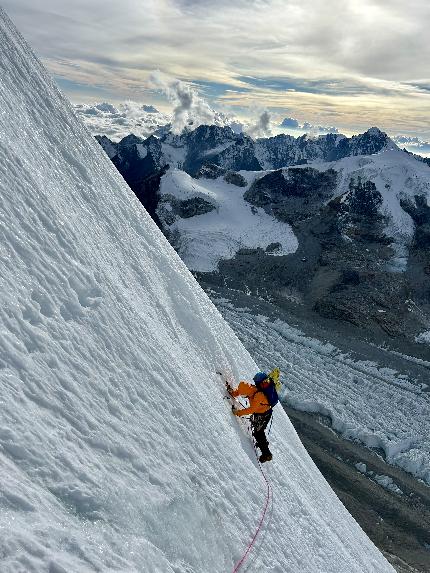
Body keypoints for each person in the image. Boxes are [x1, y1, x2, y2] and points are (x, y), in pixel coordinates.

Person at [227, 372, 273, 463]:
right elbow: (239, 392)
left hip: (264, 414)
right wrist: (232, 392)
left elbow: (251, 410)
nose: (245, 397)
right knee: (259, 431)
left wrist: (238, 413)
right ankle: (263, 443)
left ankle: (266, 454)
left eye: (245, 396)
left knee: (258, 433)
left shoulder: (257, 396)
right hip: (261, 412)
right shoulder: (250, 389)